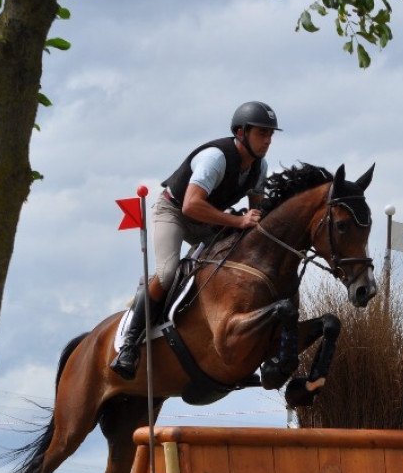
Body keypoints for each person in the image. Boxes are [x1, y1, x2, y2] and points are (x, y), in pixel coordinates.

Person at [109, 101, 281, 379]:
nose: (268, 140)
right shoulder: (216, 158)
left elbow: (255, 212)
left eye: (271, 134)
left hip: (209, 220)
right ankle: (129, 343)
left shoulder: (259, 167)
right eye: (262, 133)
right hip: (175, 213)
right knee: (167, 273)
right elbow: (190, 206)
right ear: (241, 133)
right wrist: (238, 221)